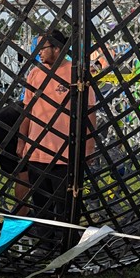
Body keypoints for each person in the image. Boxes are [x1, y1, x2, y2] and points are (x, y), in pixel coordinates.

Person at [17, 29, 96, 234]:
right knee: (41, 207)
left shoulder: (76, 73)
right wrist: (21, 141)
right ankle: (45, 244)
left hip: (65, 156)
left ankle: (66, 245)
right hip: (37, 153)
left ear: (57, 48)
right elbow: (27, 111)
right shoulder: (35, 74)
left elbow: (89, 113)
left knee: (65, 208)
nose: (38, 52)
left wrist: (88, 148)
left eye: (42, 48)